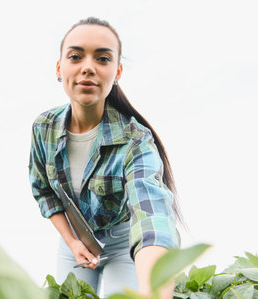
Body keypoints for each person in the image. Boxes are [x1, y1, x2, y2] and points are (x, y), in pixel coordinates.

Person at [28, 17, 182, 298]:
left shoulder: (136, 139)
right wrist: (73, 242)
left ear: (118, 71)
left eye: (102, 58)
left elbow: (152, 218)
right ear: (59, 68)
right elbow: (44, 191)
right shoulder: (43, 128)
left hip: (125, 245)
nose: (88, 67)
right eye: (76, 56)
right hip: (73, 242)